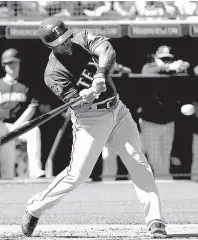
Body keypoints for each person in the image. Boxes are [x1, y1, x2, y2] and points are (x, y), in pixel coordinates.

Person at [21, 17, 167, 238]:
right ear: (50, 45)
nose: (66, 42)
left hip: (118, 110)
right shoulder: (53, 73)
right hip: (90, 118)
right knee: (78, 174)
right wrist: (86, 95)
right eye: (60, 42)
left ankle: (155, 220)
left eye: (66, 36)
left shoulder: (82, 38)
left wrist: (100, 74)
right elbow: (78, 104)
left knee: (137, 161)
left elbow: (107, 50)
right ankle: (35, 207)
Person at [0, 48, 45, 179]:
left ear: (19, 63)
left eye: (14, 62)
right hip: (3, 126)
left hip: (21, 125)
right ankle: (8, 183)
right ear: (3, 65)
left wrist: (16, 127)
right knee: (7, 166)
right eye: (8, 63)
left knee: (34, 131)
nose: (12, 66)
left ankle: (35, 170)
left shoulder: (26, 85)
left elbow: (32, 108)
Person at [140, 45, 190, 178]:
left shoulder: (173, 69)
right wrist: (166, 67)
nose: (166, 61)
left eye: (168, 59)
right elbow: (147, 73)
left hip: (168, 121)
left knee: (165, 155)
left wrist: (178, 66)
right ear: (156, 58)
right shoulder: (149, 68)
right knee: (154, 157)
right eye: (163, 58)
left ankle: (165, 183)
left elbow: (186, 65)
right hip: (150, 121)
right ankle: (159, 180)